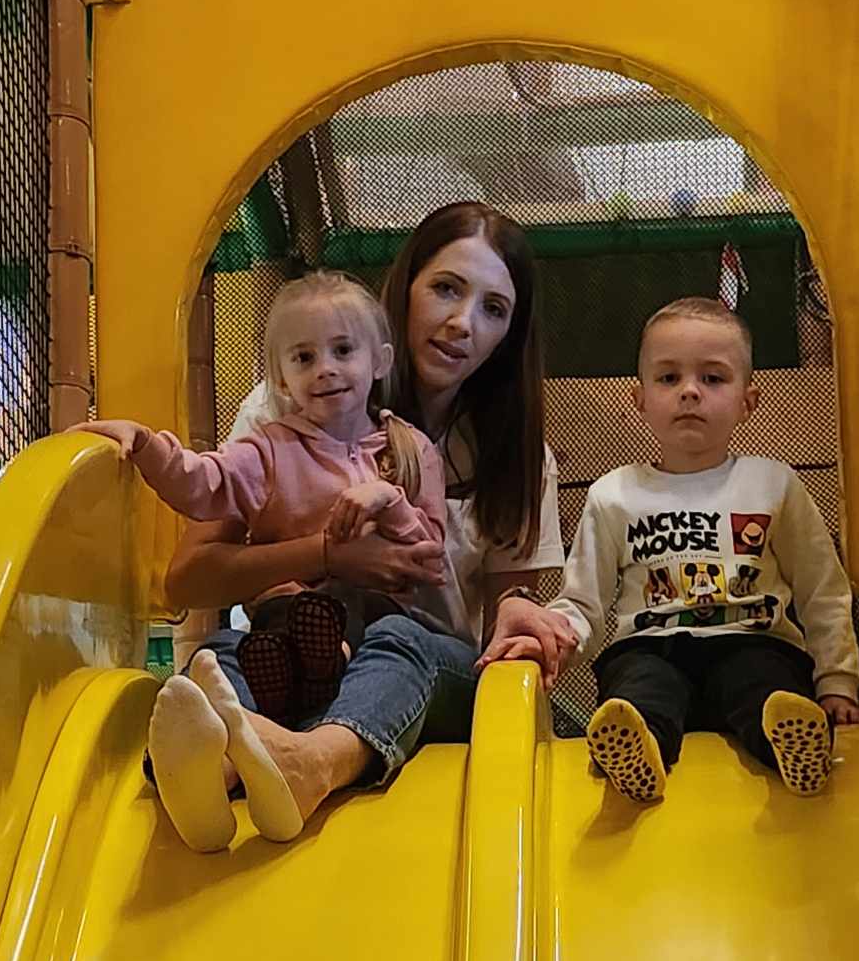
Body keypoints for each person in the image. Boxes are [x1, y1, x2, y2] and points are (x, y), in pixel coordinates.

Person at [140, 202, 574, 849]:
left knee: (402, 637)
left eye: (493, 309)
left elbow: (497, 625)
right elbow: (189, 578)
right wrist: (327, 555)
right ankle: (219, 769)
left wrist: (516, 610)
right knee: (223, 653)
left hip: (420, 679)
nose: (462, 323)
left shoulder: (516, 455)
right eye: (446, 289)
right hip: (300, 658)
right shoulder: (293, 407)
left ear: (510, 333)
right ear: (406, 290)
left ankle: (316, 762)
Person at [76, 271, 447, 732]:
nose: (325, 368)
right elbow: (204, 484)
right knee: (242, 639)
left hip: (376, 623)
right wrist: (149, 447)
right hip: (285, 613)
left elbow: (430, 558)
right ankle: (228, 730)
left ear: (380, 361)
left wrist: (389, 501)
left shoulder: (409, 449)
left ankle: (321, 669)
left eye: (343, 350)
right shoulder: (268, 451)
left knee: (361, 610)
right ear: (282, 381)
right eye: (304, 357)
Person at [541, 296, 859, 802]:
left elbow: (822, 589)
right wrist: (553, 640)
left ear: (748, 401)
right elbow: (584, 603)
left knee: (765, 686)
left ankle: (796, 746)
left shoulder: (773, 484)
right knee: (641, 691)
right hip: (651, 647)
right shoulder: (613, 494)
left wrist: (837, 682)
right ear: (640, 398)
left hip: (753, 640)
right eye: (668, 378)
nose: (689, 391)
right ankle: (638, 750)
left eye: (713, 378)